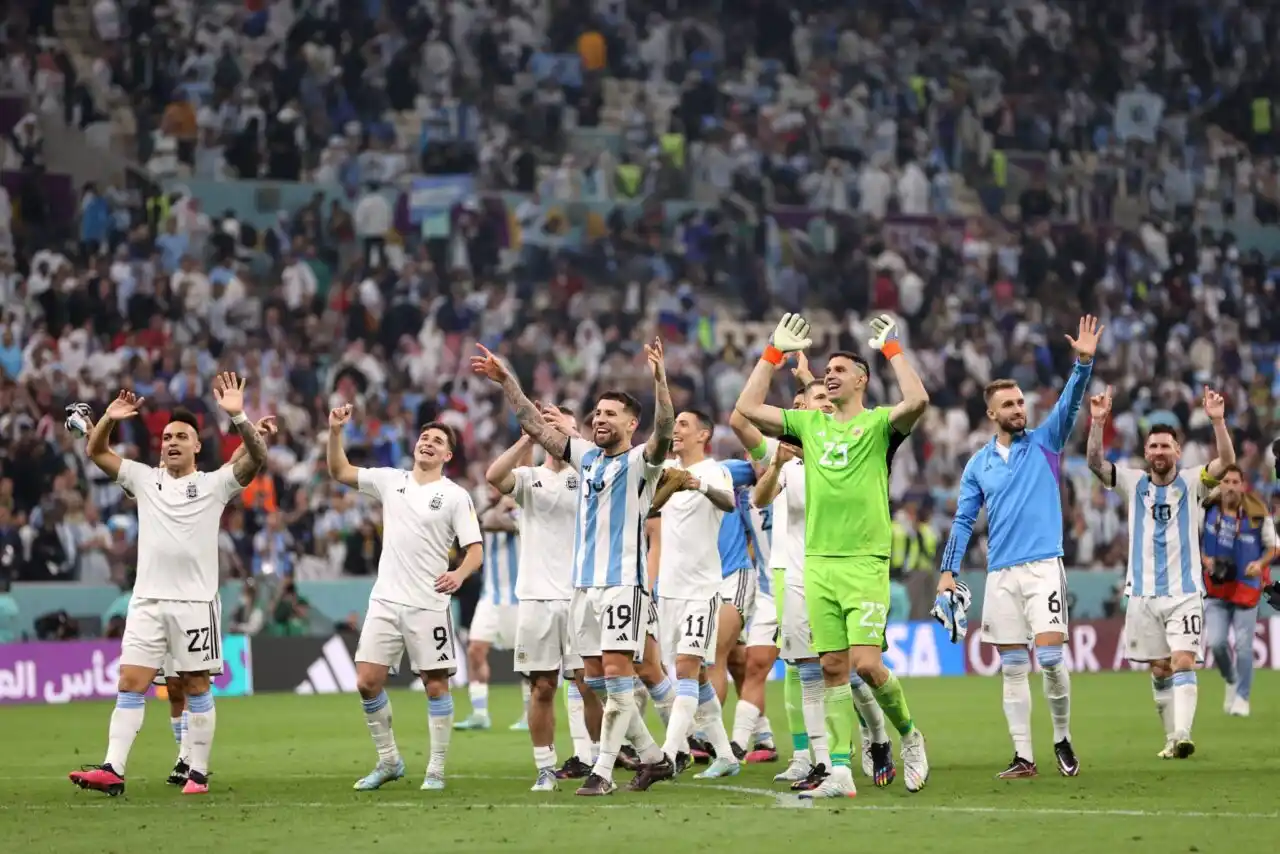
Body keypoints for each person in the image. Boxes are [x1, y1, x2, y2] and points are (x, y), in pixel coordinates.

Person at [735, 313, 930, 799]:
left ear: (862, 380)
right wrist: (772, 352)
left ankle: (909, 735)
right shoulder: (808, 425)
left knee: (867, 665)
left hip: (864, 561)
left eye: (840, 370)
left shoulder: (879, 425)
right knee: (831, 669)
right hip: (818, 562)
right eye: (827, 371)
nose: (831, 375)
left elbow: (918, 401)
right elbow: (746, 407)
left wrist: (893, 350)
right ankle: (839, 772)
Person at [472, 339, 673, 797]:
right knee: (597, 682)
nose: (600, 419)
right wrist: (506, 381)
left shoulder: (642, 462)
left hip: (622, 584)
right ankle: (654, 758)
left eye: (611, 414)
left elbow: (664, 427)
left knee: (617, 676)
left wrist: (660, 380)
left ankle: (602, 771)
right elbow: (532, 423)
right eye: (597, 413)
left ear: (631, 424)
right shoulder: (585, 458)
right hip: (582, 586)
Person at [68, 374, 269, 797]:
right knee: (130, 682)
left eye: (181, 436)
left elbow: (256, 456)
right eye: (166, 437)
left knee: (195, 686)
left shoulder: (215, 484)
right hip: (146, 602)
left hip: (195, 604)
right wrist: (108, 418)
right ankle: (113, 768)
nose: (172, 442)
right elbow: (96, 451)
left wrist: (238, 416)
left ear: (197, 446)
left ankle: (198, 772)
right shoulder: (143, 479)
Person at [940, 316, 1101, 780]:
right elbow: (964, 520)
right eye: (1008, 404)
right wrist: (949, 570)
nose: (1018, 408)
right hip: (1000, 573)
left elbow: (1070, 404)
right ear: (992, 414)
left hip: (1043, 567)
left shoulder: (1046, 442)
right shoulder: (978, 464)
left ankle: (1062, 737)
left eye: (1020, 402)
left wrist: (1082, 365)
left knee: (1049, 659)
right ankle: (1023, 757)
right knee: (1012, 667)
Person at [328, 407, 483, 792]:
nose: (428, 443)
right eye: (425, 437)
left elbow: (475, 550)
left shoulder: (455, 496)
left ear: (448, 455)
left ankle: (436, 769)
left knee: (436, 685)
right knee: (367, 682)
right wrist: (335, 432)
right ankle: (389, 760)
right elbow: (340, 471)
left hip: (429, 604)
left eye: (438, 441)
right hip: (385, 600)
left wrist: (458, 574)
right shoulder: (389, 480)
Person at [749, 379, 891, 792]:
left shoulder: (856, 453)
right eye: (814, 400)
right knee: (814, 671)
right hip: (800, 576)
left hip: (852, 572)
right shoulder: (793, 463)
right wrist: (776, 464)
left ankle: (879, 735)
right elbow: (759, 499)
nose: (823, 405)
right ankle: (823, 761)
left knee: (858, 670)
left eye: (828, 398)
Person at [1088, 386, 1235, 757]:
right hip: (1143, 594)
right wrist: (1098, 422)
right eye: (1153, 446)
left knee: (1183, 660)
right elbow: (1094, 462)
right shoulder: (1132, 482)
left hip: (1185, 593)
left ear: (1177, 451)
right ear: (1145, 451)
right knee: (1159, 668)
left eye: (1165, 446)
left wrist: (1218, 421)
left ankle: (1183, 734)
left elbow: (1226, 461)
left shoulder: (1194, 481)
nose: (1158, 452)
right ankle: (1171, 739)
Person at [485, 414, 605, 790]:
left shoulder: (591, 473)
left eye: (561, 427)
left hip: (580, 594)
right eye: (548, 426)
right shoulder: (529, 477)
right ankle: (545, 769)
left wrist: (572, 436)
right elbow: (494, 476)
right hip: (536, 596)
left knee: (590, 684)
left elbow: (606, 470)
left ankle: (600, 763)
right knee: (542, 687)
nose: (554, 433)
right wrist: (527, 439)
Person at [629, 410, 740, 790]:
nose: (675, 430)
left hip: (701, 590)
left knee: (686, 667)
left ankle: (668, 755)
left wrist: (697, 485)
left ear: (703, 435)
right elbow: (646, 511)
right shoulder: (664, 471)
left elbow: (729, 502)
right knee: (698, 675)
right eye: (674, 424)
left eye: (683, 425)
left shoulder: (713, 471)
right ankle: (725, 755)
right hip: (669, 590)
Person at [1200, 465, 1275, 718]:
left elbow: (1273, 546)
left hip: (1246, 588)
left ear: (1242, 485)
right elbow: (1191, 539)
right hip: (1216, 588)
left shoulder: (1257, 511)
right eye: (1226, 481)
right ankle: (1231, 679)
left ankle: (1242, 697)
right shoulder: (1206, 508)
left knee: (1243, 647)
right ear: (1220, 484)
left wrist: (1260, 564)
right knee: (1216, 644)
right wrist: (1205, 560)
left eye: (1235, 482)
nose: (1231, 487)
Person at [455, 492, 529, 732]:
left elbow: (496, 524)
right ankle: (480, 714)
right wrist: (491, 503)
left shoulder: (522, 510)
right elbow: (469, 526)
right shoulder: (490, 509)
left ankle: (530, 713)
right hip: (490, 596)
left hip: (518, 597)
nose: (490, 487)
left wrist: (502, 505)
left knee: (526, 659)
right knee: (475, 650)